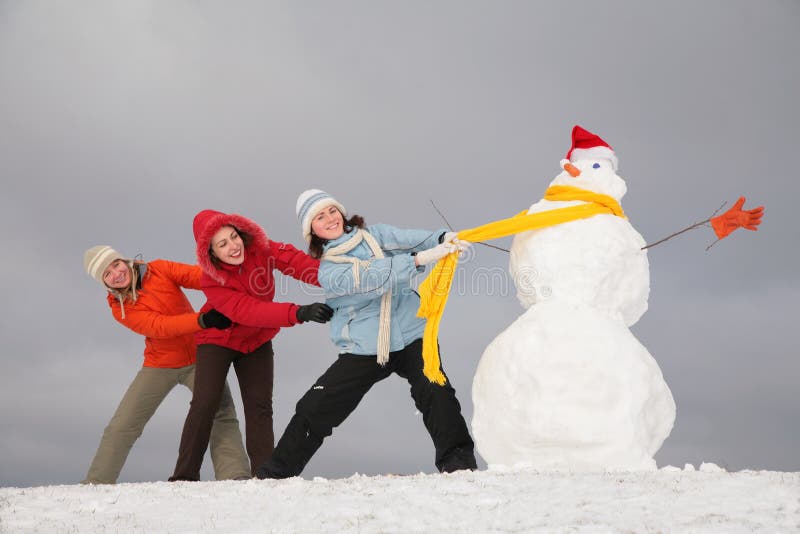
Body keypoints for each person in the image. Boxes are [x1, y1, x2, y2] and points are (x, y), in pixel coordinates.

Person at [257, 189, 477, 479]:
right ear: (312, 230)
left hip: (412, 335)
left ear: (341, 211)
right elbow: (370, 277)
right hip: (365, 347)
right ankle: (276, 474)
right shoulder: (328, 269)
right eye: (319, 217)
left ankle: (459, 465)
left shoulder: (377, 235)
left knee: (437, 392)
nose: (329, 219)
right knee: (316, 405)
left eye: (331, 211)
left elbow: (411, 239)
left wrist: (443, 239)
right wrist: (418, 260)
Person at [170, 210, 333, 481]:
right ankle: (184, 476)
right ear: (211, 253)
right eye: (222, 244)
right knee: (205, 402)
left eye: (233, 237)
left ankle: (265, 475)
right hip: (218, 340)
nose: (233, 246)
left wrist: (333, 278)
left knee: (259, 406)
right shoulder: (211, 281)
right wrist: (298, 312)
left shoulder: (262, 249)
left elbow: (297, 263)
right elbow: (249, 311)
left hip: (256, 340)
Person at [82, 245, 251, 484]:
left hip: (200, 357)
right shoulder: (120, 309)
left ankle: (235, 475)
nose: (116, 274)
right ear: (105, 283)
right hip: (160, 364)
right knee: (122, 425)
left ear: (123, 260)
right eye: (107, 274)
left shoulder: (159, 269)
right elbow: (160, 326)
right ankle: (96, 483)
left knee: (221, 413)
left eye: (115, 265)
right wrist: (202, 320)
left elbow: (197, 277)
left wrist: (227, 280)